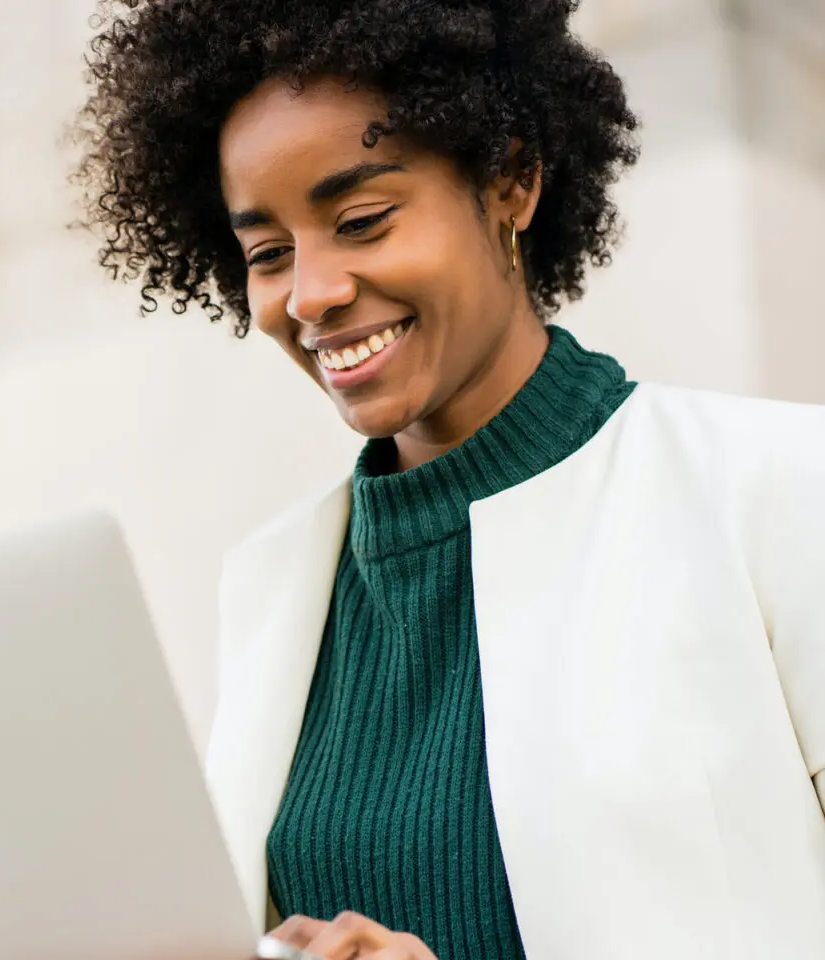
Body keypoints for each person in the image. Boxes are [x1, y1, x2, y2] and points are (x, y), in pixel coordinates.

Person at [74, 1, 825, 957]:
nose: (310, 294)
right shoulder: (273, 592)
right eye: (268, 253)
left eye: (361, 219)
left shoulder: (781, 491)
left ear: (510, 179)